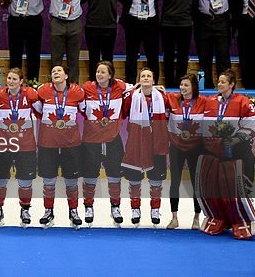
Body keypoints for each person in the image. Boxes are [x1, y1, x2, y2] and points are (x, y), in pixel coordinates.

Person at [198, 69, 255, 239]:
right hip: (215, 152)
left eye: (223, 82)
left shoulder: (245, 101)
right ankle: (220, 218)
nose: (219, 84)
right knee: (216, 186)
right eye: (218, 81)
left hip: (238, 151)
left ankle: (243, 218)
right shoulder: (210, 101)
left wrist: (236, 139)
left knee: (239, 184)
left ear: (232, 84)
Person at [0, 68, 40, 227]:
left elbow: (41, 113)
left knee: (25, 180)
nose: (10, 81)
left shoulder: (29, 95)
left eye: (14, 79)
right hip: (3, 145)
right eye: (9, 78)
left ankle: (25, 209)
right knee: (0, 179)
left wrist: (35, 97)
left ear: (21, 81)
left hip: (25, 146)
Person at [34, 65, 85, 229]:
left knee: (71, 180)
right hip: (47, 144)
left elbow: (85, 111)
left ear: (66, 75)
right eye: (53, 71)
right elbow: (38, 112)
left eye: (59, 71)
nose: (55, 73)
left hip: (71, 145)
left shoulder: (78, 92)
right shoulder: (42, 91)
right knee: (49, 180)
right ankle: (48, 211)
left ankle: (74, 211)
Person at [79, 61, 129, 226]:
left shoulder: (120, 86)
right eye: (97, 71)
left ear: (110, 75)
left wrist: (156, 88)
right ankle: (88, 206)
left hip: (112, 139)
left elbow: (137, 88)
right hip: (91, 140)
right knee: (90, 174)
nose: (99, 74)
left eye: (102, 72)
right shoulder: (87, 87)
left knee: (114, 175)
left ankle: (115, 207)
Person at [120, 68, 169, 226]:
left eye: (149, 76)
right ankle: (135, 209)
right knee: (134, 179)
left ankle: (155, 209)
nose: (146, 78)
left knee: (156, 179)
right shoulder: (131, 96)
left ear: (154, 81)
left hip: (157, 142)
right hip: (137, 143)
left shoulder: (162, 97)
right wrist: (132, 90)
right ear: (139, 80)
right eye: (143, 76)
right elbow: (123, 111)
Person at [193, 0, 238, 89]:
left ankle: (225, 89)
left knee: (223, 58)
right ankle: (202, 89)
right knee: (203, 59)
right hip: (203, 21)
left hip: (222, 20)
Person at [165, 73, 207, 229]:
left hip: (196, 148)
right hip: (176, 147)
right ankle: (174, 217)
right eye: (181, 85)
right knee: (174, 181)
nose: (182, 88)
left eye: (186, 85)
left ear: (194, 87)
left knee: (196, 183)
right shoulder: (172, 99)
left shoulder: (204, 102)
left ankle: (196, 217)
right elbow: (153, 97)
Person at [0, 0, 46, 81]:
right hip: (15, 20)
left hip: (33, 20)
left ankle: (33, 82)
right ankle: (14, 82)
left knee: (34, 53)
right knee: (15, 54)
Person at [120, 0, 163, 83]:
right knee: (131, 55)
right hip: (133, 21)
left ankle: (153, 83)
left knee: (153, 55)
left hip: (151, 21)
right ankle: (130, 84)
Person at [44, 0, 87, 81]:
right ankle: (55, 87)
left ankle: (73, 87)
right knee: (56, 58)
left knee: (73, 58)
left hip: (75, 22)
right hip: (57, 21)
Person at [160, 0, 198, 88]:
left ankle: (181, 85)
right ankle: (169, 85)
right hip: (168, 24)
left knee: (183, 57)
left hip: (185, 24)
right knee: (168, 56)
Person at [82, 0, 120, 81]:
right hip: (92, 27)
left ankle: (108, 82)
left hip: (109, 27)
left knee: (108, 57)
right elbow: (80, 0)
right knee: (93, 57)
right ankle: (93, 82)